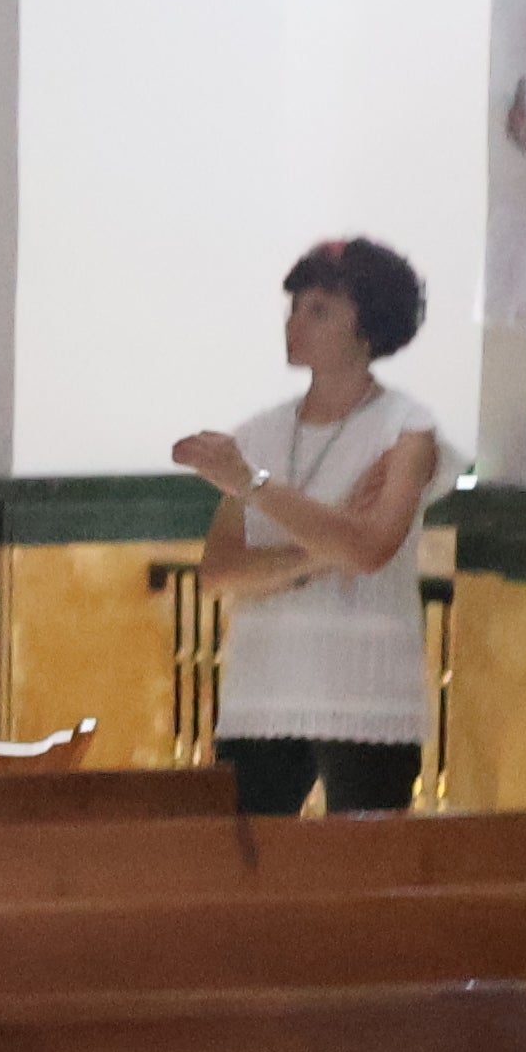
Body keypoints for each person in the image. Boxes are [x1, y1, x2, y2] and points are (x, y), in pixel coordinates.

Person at [175, 237, 446, 818]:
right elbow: (220, 572)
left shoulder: (406, 429)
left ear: (367, 326)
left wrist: (253, 486)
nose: (296, 322)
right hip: (262, 692)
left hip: (368, 701)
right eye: (293, 307)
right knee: (245, 882)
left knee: (364, 885)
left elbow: (372, 551)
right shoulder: (257, 434)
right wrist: (321, 554)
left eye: (319, 309)